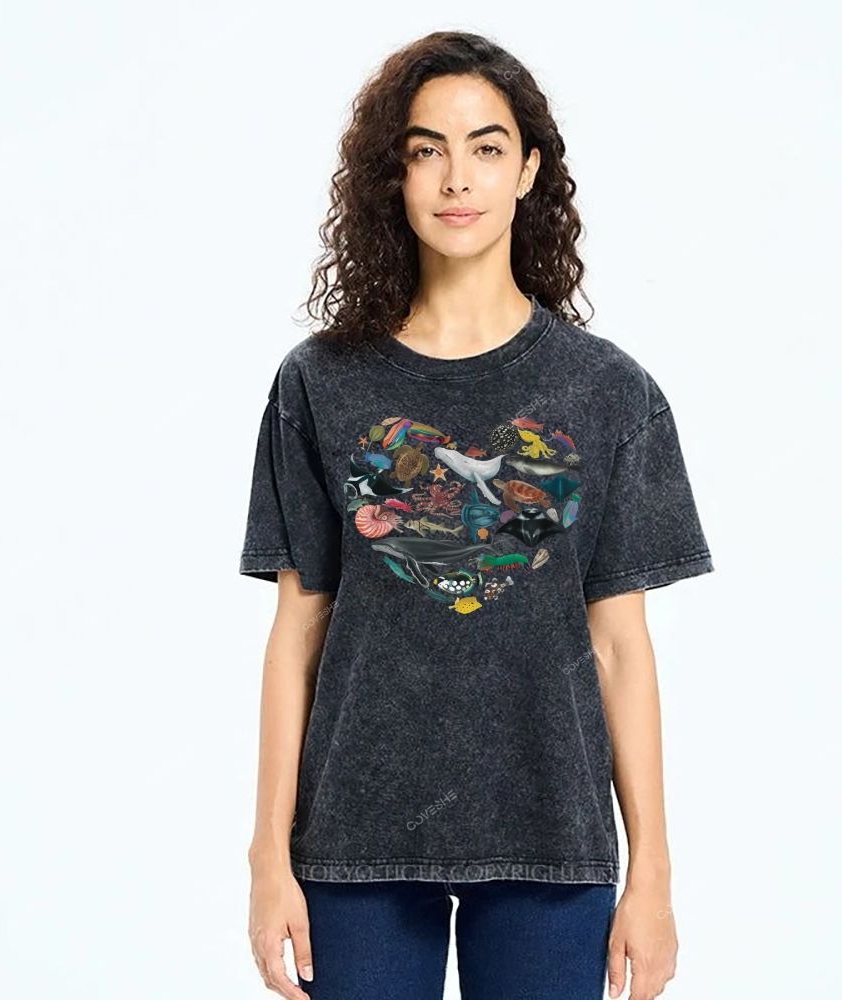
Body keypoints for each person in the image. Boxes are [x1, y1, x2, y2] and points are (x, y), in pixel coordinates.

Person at [240, 30, 714, 1000]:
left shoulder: (607, 391)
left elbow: (620, 647)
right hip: (355, 839)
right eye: (427, 150)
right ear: (394, 174)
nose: (457, 178)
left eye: (487, 147)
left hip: (551, 834)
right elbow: (298, 631)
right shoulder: (319, 383)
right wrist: (266, 857)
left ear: (529, 169)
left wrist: (653, 876)